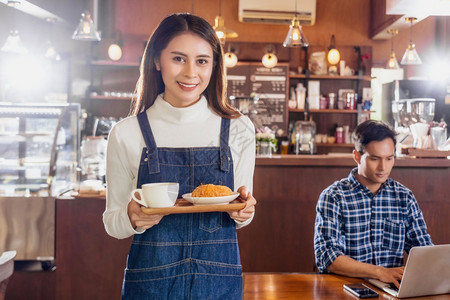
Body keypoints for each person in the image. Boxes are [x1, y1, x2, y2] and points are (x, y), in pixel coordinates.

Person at [102, 13, 257, 299]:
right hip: (151, 284)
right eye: (178, 58)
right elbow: (113, 221)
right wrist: (131, 216)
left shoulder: (238, 128)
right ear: (157, 61)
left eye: (202, 61)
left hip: (219, 283)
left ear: (214, 66)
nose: (190, 73)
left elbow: (240, 214)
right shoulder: (127, 133)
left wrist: (245, 211)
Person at [314, 120, 432, 288]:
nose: (383, 167)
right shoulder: (334, 197)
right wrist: (379, 272)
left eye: (389, 158)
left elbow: (424, 250)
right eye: (375, 159)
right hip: (343, 290)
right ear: (357, 156)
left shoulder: (404, 197)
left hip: (391, 291)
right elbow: (326, 256)